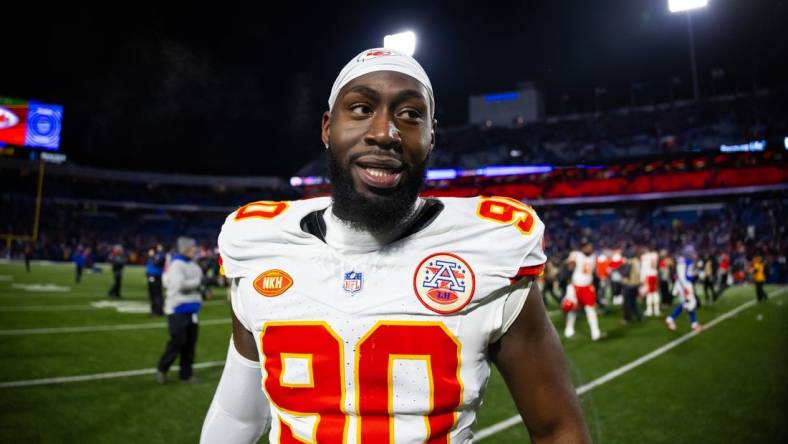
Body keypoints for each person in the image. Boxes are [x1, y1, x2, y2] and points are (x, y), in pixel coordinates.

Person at [201, 48, 591, 443]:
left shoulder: (488, 248)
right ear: (326, 127)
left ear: (431, 135)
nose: (384, 133)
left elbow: (558, 430)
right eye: (360, 108)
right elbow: (238, 419)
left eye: (410, 115)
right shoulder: (261, 244)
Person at [157, 237, 204, 384]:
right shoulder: (177, 264)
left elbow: (195, 283)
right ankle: (162, 368)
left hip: (192, 310)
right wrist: (198, 283)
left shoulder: (194, 265)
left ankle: (186, 375)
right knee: (178, 341)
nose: (195, 249)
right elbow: (179, 285)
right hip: (177, 309)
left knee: (190, 343)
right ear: (185, 249)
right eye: (192, 247)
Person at [563, 239, 604, 341]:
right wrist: (569, 287)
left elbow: (594, 273)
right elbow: (569, 268)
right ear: (582, 248)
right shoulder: (576, 255)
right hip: (575, 287)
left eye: (590, 245)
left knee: (591, 309)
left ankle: (595, 332)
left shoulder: (594, 256)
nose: (589, 248)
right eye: (587, 246)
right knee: (572, 309)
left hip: (587, 287)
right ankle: (569, 330)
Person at [666, 245, 703, 332]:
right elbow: (682, 276)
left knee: (687, 304)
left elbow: (690, 273)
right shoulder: (683, 261)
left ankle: (693, 324)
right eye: (692, 252)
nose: (694, 254)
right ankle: (670, 318)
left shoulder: (688, 261)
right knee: (691, 303)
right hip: (684, 285)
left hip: (684, 285)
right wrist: (685, 288)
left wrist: (698, 270)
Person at [620, 249, 642, 324]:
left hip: (629, 284)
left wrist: (620, 268)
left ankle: (627, 318)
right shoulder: (637, 261)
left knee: (627, 303)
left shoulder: (630, 262)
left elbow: (626, 273)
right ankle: (640, 316)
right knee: (633, 302)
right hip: (636, 284)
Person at [146, 244, 166, 316]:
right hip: (152, 276)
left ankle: (157, 311)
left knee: (156, 293)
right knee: (153, 294)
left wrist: (151, 256)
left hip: (155, 276)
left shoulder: (161, 255)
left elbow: (156, 263)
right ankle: (155, 310)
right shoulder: (156, 255)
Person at [640, 246, 660, 317]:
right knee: (654, 294)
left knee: (650, 294)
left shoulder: (645, 256)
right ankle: (656, 310)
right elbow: (655, 265)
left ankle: (650, 310)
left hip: (648, 276)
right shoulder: (654, 255)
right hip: (653, 275)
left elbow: (652, 265)